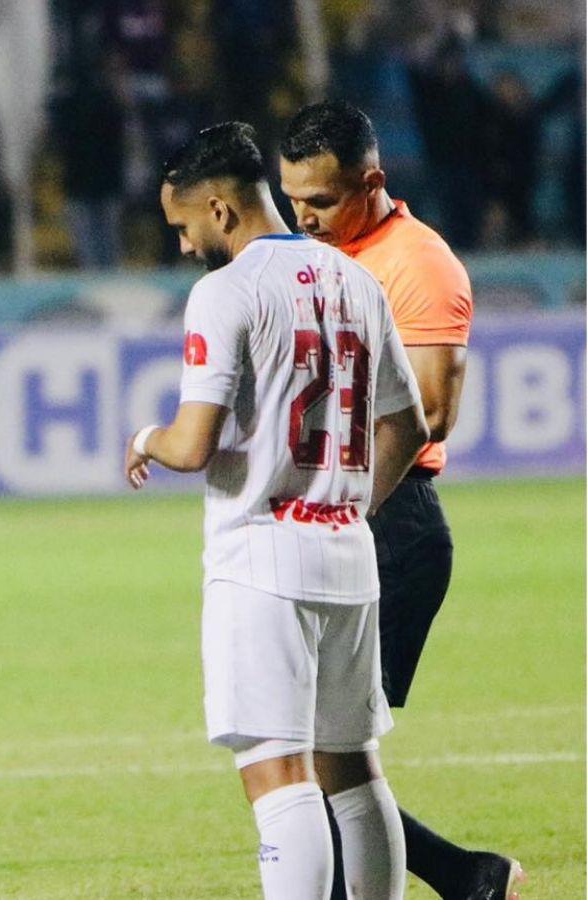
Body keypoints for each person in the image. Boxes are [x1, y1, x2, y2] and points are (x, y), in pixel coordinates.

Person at [127, 121, 428, 900]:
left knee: (277, 773)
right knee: (353, 771)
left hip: (260, 560)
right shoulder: (355, 280)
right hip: (348, 559)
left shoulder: (225, 292)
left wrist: (146, 439)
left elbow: (193, 444)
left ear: (220, 210)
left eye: (183, 227)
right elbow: (409, 425)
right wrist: (351, 506)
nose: (184, 246)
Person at [279, 100, 524, 900]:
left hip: (393, 523)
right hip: (335, 515)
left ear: (372, 181)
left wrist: (341, 501)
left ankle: (455, 877)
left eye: (321, 200)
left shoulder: (418, 264)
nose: (304, 217)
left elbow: (432, 411)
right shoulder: (316, 254)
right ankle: (469, 877)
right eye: (293, 199)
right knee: (307, 747)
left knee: (319, 749)